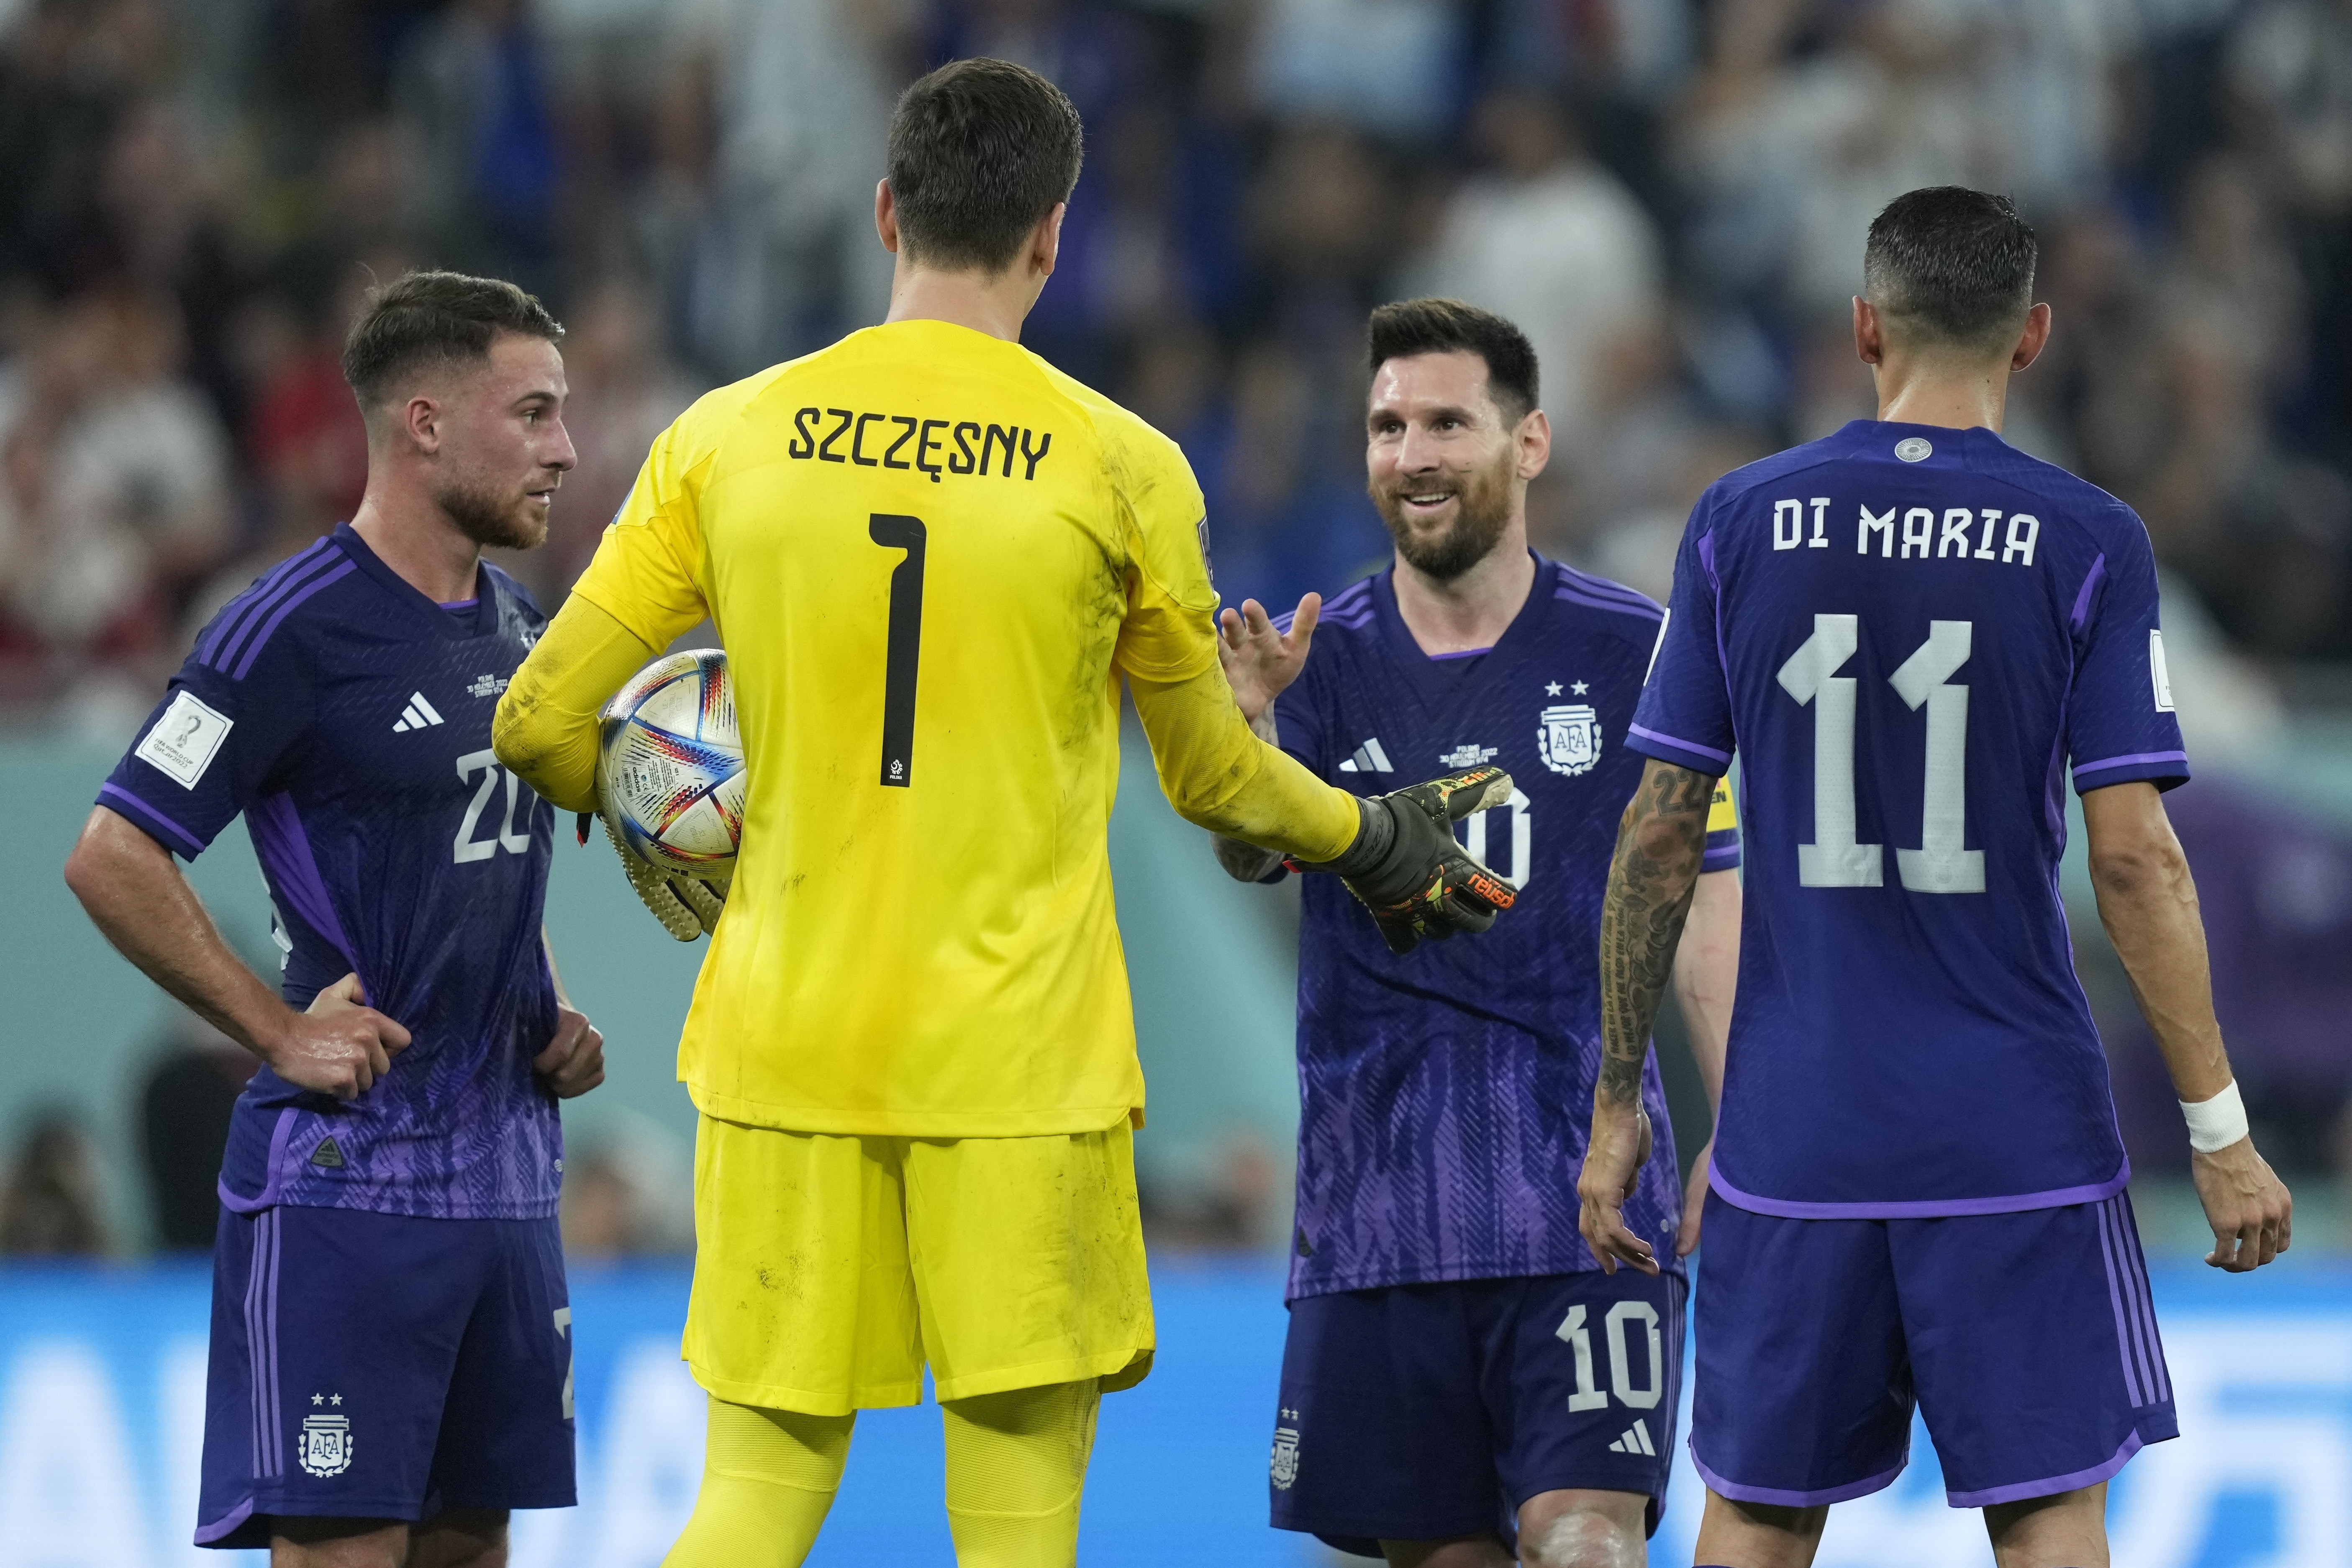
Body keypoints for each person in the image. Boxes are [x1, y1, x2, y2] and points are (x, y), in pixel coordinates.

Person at [489, 57, 1516, 1568]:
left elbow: (536, 719)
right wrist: (1376, 839)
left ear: (887, 210)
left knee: (757, 1499)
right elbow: (1215, 778)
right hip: (1023, 1063)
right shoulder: (1121, 462)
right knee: (1018, 1532)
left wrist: (666, 820)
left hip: (786, 1041)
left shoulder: (730, 435)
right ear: (1052, 237)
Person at [1577, 187, 2296, 1568]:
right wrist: (2220, 1131)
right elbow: (2137, 859)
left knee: (1757, 1521)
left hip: (1799, 1131)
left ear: (1864, 328)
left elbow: (1661, 830)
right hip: (2012, 1131)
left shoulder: (1738, 520)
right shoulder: (2091, 540)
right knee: (2048, 1518)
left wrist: (1625, 1095)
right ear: (2032, 337)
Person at [62, 270, 608, 1567]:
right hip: (348, 1197)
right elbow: (112, 850)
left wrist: (551, 1003)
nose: (566, 449)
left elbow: (475, 867)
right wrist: (274, 1027)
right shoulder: (282, 630)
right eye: (531, 413)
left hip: (507, 1194)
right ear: (424, 423)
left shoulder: (522, 627)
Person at [1210, 299, 1742, 1568]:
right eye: (1389, 425)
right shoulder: (1314, 662)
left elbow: (1712, 889)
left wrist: (1744, 1109)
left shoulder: (1640, 652)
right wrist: (1248, 744)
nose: (1413, 452)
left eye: (1448, 420)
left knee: (1586, 1543)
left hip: (1584, 1195)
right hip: (1377, 1209)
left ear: (1531, 441)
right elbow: (1251, 858)